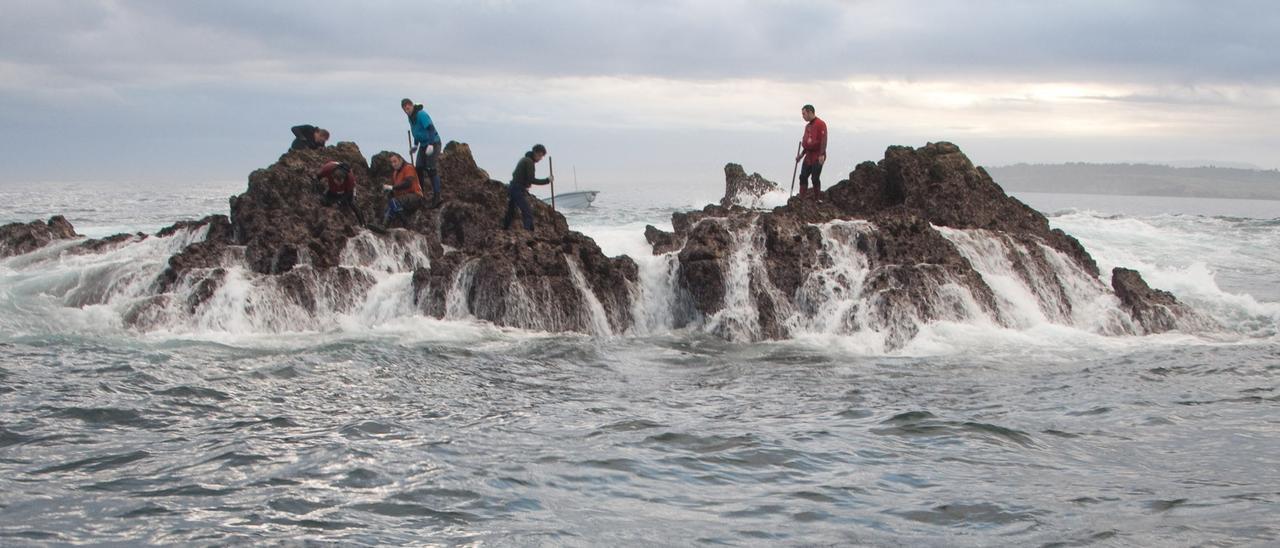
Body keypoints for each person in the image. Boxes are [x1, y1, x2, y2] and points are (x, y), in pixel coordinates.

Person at [401, 98, 443, 208]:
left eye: (408, 108)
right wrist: (415, 145)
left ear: (411, 105)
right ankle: (421, 195)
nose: (407, 111)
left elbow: (430, 128)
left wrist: (431, 144)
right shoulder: (410, 118)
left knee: (431, 168)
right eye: (405, 110)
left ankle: (437, 197)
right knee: (418, 168)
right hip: (423, 145)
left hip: (433, 143)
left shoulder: (421, 114)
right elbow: (416, 132)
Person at [502, 144, 553, 231]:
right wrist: (547, 180)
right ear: (535, 152)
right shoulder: (529, 162)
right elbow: (531, 179)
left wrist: (525, 184)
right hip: (517, 189)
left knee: (511, 211)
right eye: (540, 155)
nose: (540, 158)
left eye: (542, 156)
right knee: (527, 212)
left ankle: (505, 229)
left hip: (514, 187)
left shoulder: (525, 160)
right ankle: (528, 233)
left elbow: (516, 175)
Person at [382, 153, 426, 229]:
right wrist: (389, 192)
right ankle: (383, 226)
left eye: (395, 161)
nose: (393, 164)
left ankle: (407, 223)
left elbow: (408, 183)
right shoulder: (395, 173)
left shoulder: (408, 167)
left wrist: (392, 187)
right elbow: (396, 189)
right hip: (403, 199)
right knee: (389, 206)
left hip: (416, 196)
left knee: (394, 202)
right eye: (392, 162)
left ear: (401, 160)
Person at [315, 161, 365, 226]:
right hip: (333, 188)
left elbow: (348, 194)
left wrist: (337, 201)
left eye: (340, 182)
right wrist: (316, 188)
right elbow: (318, 177)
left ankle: (363, 224)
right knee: (324, 201)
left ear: (344, 179)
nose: (338, 184)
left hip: (348, 190)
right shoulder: (328, 169)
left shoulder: (350, 179)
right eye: (337, 182)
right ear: (332, 176)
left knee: (351, 202)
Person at [795, 104, 827, 199]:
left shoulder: (821, 124)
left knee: (815, 178)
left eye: (804, 114)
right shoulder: (807, 126)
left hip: (818, 155)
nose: (803, 116)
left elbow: (824, 140)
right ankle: (802, 198)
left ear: (810, 112)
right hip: (808, 156)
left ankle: (817, 199)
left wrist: (822, 154)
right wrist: (801, 155)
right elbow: (807, 145)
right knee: (803, 176)